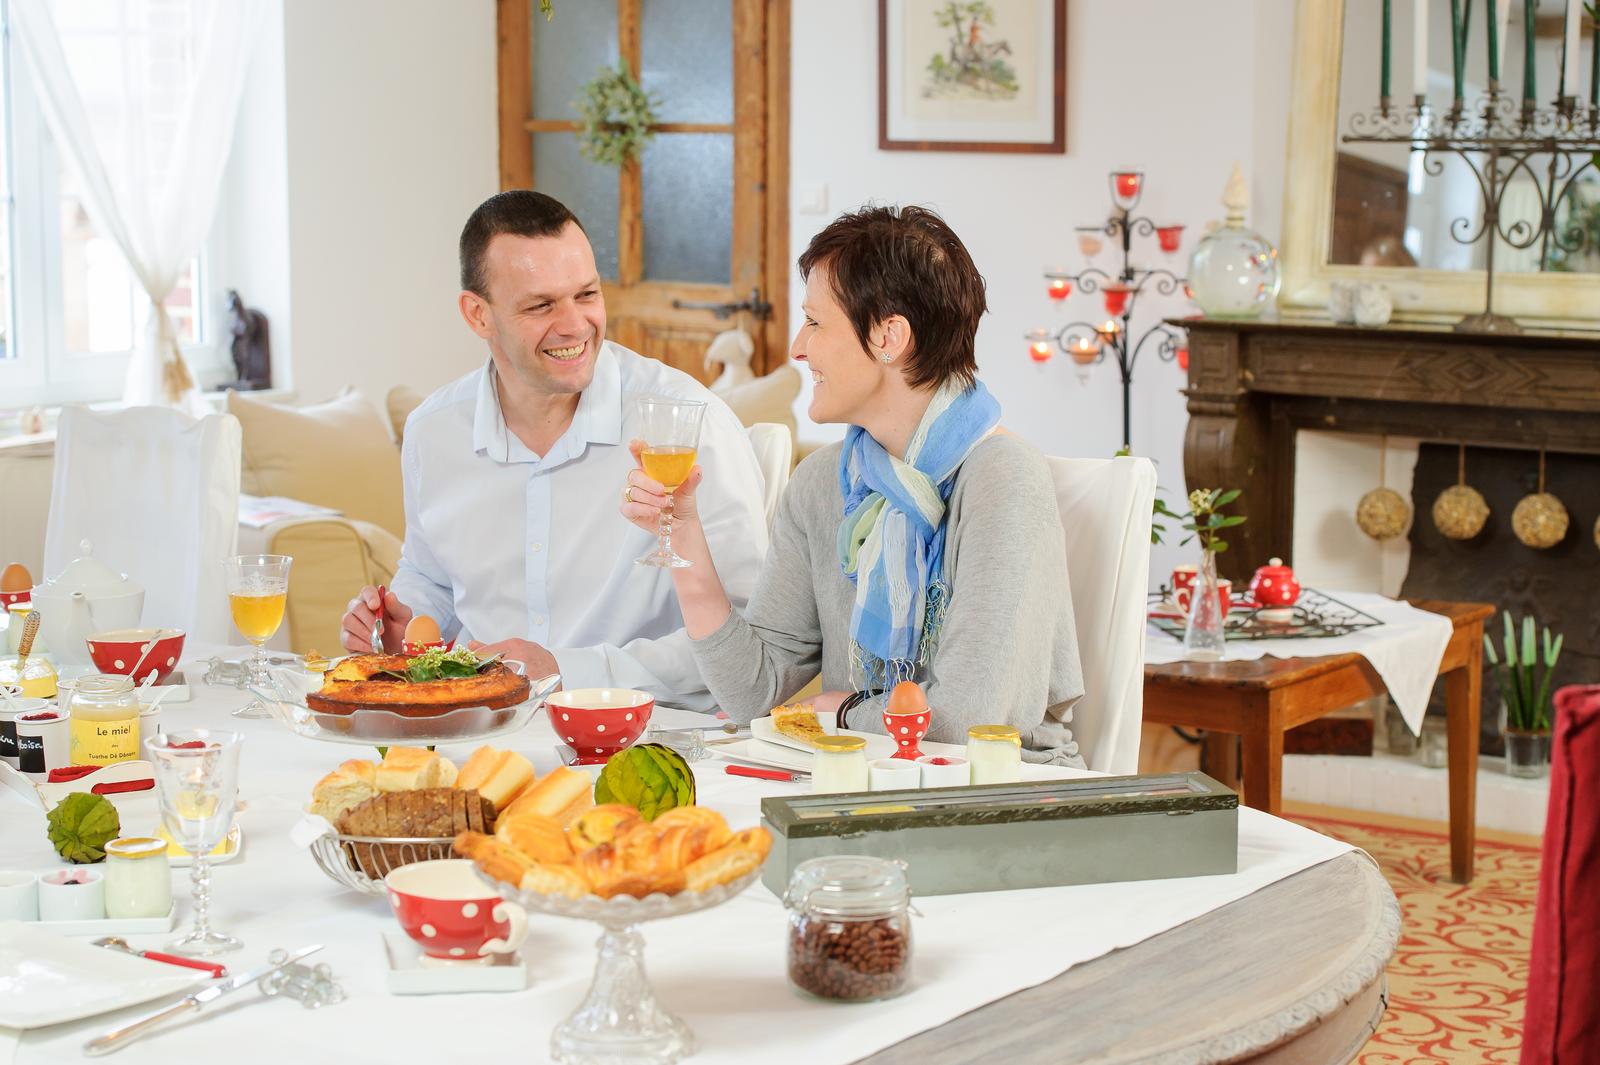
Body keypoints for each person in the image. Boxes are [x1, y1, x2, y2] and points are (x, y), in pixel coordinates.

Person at [620, 205, 1084, 764]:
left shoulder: (1004, 478)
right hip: (865, 781)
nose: (797, 346)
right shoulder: (823, 482)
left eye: (815, 322)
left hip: (998, 799)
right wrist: (684, 534)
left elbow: (969, 720)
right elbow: (751, 694)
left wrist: (842, 712)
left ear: (889, 335)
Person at [340, 191, 768, 710]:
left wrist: (568, 672)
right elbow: (430, 577)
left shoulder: (687, 424)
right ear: (478, 315)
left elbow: (747, 637)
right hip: (482, 730)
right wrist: (403, 623)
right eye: (541, 305)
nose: (574, 325)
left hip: (650, 737)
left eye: (586, 295)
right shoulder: (434, 431)